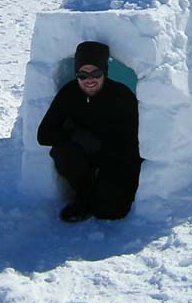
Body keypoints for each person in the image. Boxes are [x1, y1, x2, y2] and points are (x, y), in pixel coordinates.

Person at [37, 41, 141, 222]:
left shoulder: (121, 96)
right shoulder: (69, 93)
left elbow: (135, 141)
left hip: (117, 157)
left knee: (109, 211)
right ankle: (83, 196)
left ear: (105, 72)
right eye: (82, 75)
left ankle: (102, 194)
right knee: (63, 152)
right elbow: (44, 134)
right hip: (86, 157)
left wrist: (107, 150)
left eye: (96, 73)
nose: (89, 80)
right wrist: (77, 136)